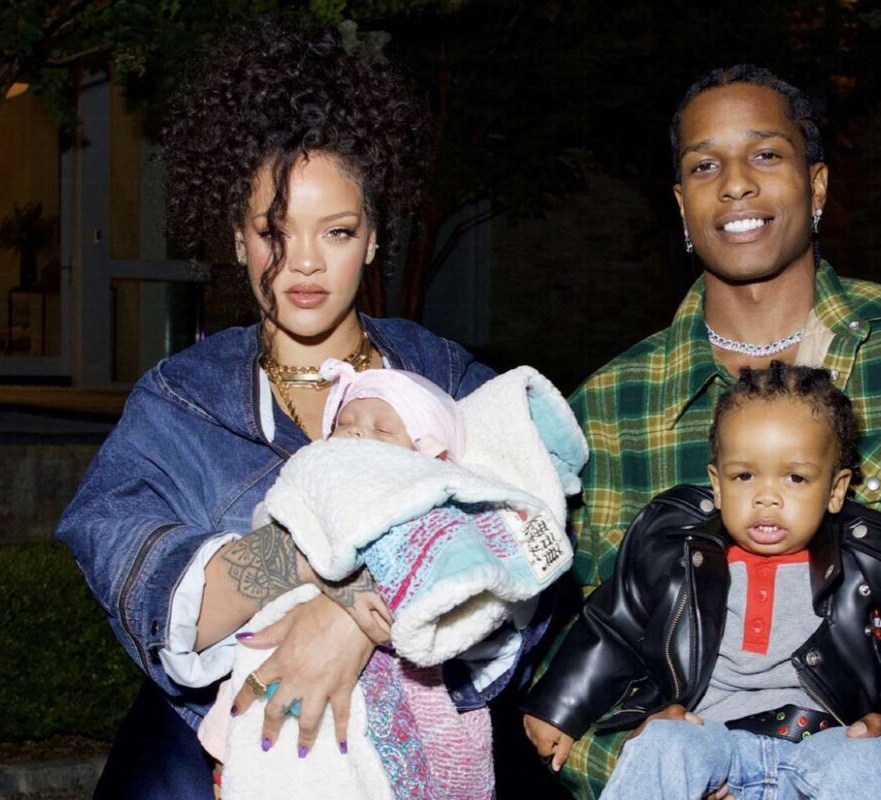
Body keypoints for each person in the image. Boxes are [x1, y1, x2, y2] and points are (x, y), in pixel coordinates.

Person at [56, 17, 542, 799]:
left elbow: (531, 554)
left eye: (337, 231)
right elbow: (143, 583)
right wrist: (325, 562)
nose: (305, 263)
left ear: (374, 238)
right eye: (274, 231)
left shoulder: (447, 378)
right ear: (238, 239)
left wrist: (350, 624)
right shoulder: (183, 400)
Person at [543, 64, 881, 799]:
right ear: (682, 204)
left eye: (765, 154)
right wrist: (636, 762)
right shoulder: (607, 408)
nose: (735, 184)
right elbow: (560, 628)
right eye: (704, 165)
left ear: (816, 187)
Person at [522, 363, 881, 799]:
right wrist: (560, 706)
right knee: (661, 743)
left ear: (835, 490)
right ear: (717, 483)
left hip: (828, 740)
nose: (767, 497)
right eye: (745, 475)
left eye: (795, 478)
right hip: (710, 736)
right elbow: (614, 625)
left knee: (874, 761)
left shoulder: (880, 560)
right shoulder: (673, 545)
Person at [199, 361, 584, 799]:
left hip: (410, 680)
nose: (356, 433)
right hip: (282, 655)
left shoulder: (447, 500)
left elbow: (480, 583)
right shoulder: (317, 477)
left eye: (382, 429)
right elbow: (278, 518)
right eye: (344, 423)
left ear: (432, 454)